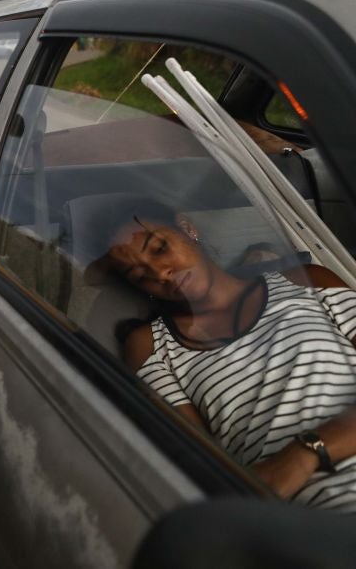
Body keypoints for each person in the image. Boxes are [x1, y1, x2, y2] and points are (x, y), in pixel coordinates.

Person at [88, 195, 356, 512]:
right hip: (315, 513)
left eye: (160, 248)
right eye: (140, 274)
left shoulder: (307, 282)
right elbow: (203, 467)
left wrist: (306, 453)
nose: (161, 274)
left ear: (188, 229)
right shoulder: (152, 345)